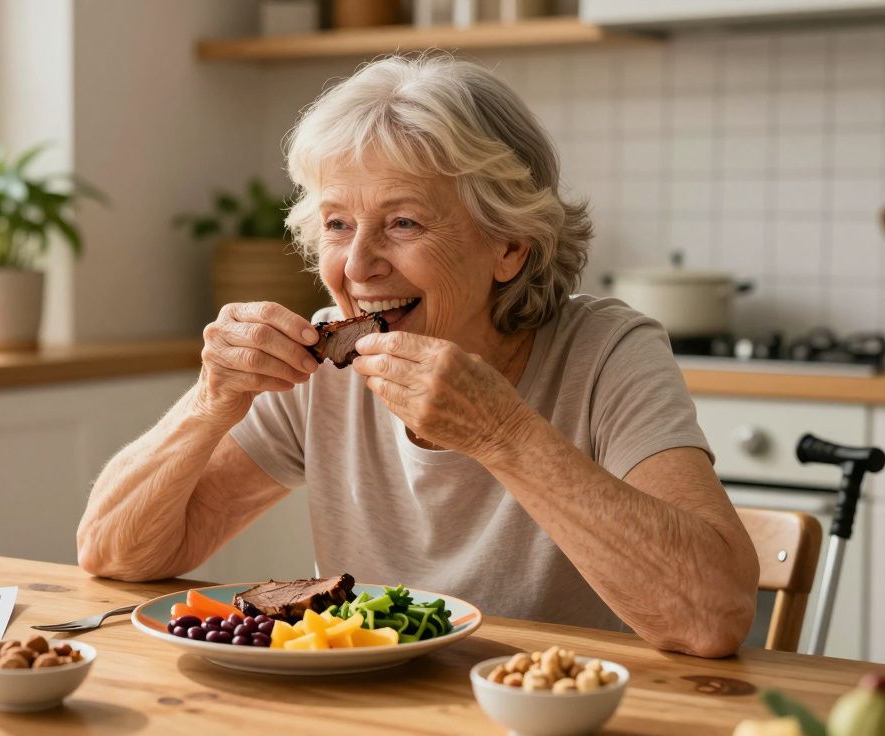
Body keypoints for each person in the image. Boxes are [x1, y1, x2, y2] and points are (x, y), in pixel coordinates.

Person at [77, 55, 758, 658]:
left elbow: (712, 617)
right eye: (339, 225)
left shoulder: (607, 352)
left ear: (509, 247)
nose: (360, 264)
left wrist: (504, 434)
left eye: (403, 222)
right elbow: (115, 554)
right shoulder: (323, 364)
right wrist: (210, 401)